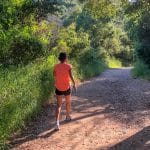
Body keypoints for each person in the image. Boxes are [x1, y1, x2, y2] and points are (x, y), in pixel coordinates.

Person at [53, 52, 76, 130]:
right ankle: (67, 116)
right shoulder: (68, 66)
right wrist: (74, 84)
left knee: (59, 105)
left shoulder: (56, 66)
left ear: (59, 58)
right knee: (68, 102)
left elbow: (54, 75)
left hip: (58, 88)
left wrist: (56, 83)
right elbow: (71, 76)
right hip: (66, 87)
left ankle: (57, 123)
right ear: (65, 58)